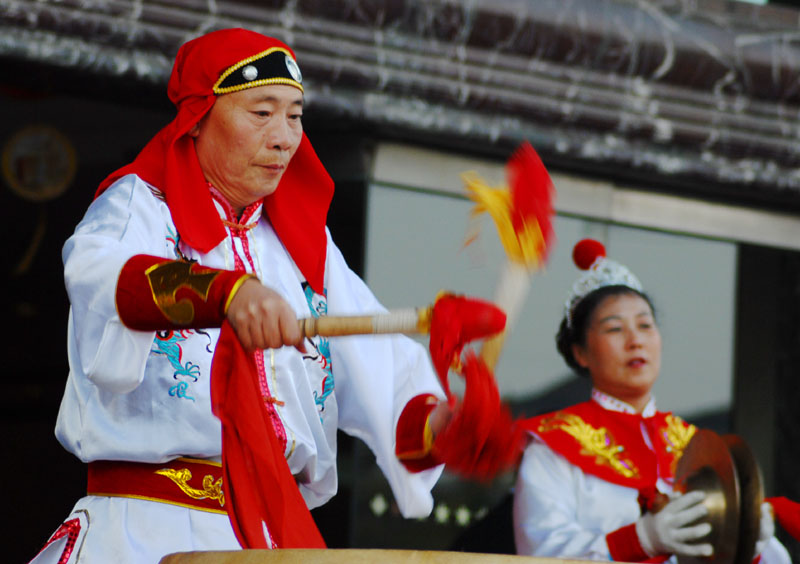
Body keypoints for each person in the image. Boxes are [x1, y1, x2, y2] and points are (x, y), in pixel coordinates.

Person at [30, 28, 512, 563]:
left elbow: (384, 372)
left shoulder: (306, 247)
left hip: (271, 537)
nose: (285, 137)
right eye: (262, 113)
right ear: (199, 118)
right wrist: (225, 292)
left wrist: (445, 427)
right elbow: (102, 277)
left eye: (295, 116)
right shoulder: (140, 206)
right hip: (145, 526)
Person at [512, 239, 791, 563]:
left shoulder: (698, 447)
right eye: (614, 328)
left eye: (645, 325)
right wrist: (638, 540)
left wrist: (750, 545)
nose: (636, 340)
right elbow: (540, 554)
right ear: (580, 352)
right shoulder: (553, 445)